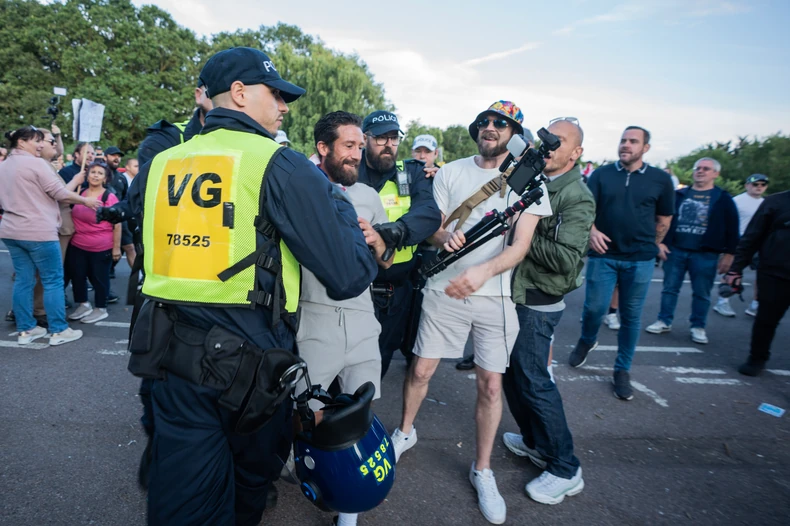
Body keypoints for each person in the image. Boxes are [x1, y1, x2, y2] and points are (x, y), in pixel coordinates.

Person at [103, 47, 378, 525]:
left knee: (182, 498)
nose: (284, 106)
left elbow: (145, 249)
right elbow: (348, 275)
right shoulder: (280, 164)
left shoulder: (160, 164)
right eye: (276, 94)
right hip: (250, 367)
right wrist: (339, 213)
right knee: (247, 488)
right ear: (239, 93)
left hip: (167, 356)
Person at [392, 101, 552, 525]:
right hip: (444, 286)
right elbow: (437, 223)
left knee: (491, 387)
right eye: (485, 120)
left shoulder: (529, 180)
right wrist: (444, 237)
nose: (491, 127)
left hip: (494, 296)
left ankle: (482, 469)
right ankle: (404, 432)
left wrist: (482, 270)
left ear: (514, 133)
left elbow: (519, 247)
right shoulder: (451, 171)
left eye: (501, 123)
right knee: (421, 370)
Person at [296, 111, 392, 526]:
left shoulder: (369, 196)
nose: (357, 154)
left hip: (362, 318)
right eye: (349, 146)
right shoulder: (298, 188)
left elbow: (387, 259)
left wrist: (377, 241)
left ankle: (349, 511)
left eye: (359, 145)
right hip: (313, 319)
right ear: (324, 148)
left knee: (361, 410)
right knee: (307, 412)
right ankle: (291, 472)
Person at [502, 117, 594, 506]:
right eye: (548, 138)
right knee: (511, 375)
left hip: (539, 301)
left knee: (534, 380)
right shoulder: (537, 179)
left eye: (560, 142)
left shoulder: (577, 196)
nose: (550, 146)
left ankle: (565, 467)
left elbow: (567, 260)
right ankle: (535, 442)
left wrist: (524, 230)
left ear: (576, 153)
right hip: (514, 292)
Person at [570, 126, 675, 401]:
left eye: (633, 141)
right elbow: (585, 208)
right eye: (623, 140)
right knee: (594, 309)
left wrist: (652, 243)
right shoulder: (602, 174)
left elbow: (664, 218)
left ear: (645, 148)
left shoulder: (661, 179)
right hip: (604, 256)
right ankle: (587, 339)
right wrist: (592, 231)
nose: (626, 145)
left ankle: (622, 370)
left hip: (640, 259)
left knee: (630, 318)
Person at [357, 110, 441, 377]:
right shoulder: (348, 167)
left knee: (379, 359)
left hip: (394, 289)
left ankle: (362, 415)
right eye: (381, 138)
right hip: (352, 285)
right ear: (365, 138)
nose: (388, 145)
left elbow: (428, 214)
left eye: (394, 138)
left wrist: (392, 233)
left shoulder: (412, 173)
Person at [0, 126, 100, 346]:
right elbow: (60, 193)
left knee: (24, 280)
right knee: (53, 280)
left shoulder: (3, 165)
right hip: (38, 231)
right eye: (37, 141)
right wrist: (86, 201)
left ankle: (26, 330)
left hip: (10, 230)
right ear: (22, 142)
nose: (40, 145)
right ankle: (58, 330)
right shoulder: (37, 164)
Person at [645, 158, 738, 344]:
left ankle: (698, 326)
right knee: (669, 289)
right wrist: (660, 243)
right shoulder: (679, 195)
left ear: (715, 174)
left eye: (706, 169)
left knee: (702, 293)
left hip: (705, 254)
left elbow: (732, 228)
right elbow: (663, 218)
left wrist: (729, 254)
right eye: (698, 168)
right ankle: (664, 320)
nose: (700, 171)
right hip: (676, 250)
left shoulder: (723, 198)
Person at [724, 189, 790, 376]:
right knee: (766, 320)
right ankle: (757, 358)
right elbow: (752, 236)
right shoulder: (776, 202)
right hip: (774, 273)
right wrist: (736, 269)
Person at [66, 162, 121, 324]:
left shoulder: (108, 197)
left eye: (100, 173)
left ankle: (100, 308)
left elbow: (117, 224)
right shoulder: (80, 193)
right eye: (93, 172)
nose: (95, 175)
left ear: (105, 178)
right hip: (77, 245)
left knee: (99, 278)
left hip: (101, 246)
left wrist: (116, 248)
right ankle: (83, 304)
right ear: (87, 175)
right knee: (78, 276)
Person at [713, 173, 768, 318]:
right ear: (747, 185)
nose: (759, 187)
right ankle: (722, 301)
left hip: (760, 242)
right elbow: (727, 222)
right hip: (740, 241)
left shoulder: (766, 203)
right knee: (732, 272)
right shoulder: (737, 201)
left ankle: (755, 304)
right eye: (755, 184)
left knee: (762, 274)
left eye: (763, 185)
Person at [137, 80, 212, 166]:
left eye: (231, 90)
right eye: (218, 89)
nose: (227, 96)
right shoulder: (163, 140)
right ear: (199, 95)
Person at [104, 146, 134, 273]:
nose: (116, 158)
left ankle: (141, 280)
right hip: (102, 218)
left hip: (119, 219)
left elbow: (126, 199)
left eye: (118, 156)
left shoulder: (122, 178)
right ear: (105, 157)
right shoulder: (99, 174)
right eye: (113, 155)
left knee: (130, 247)